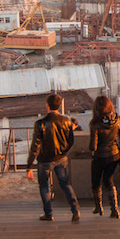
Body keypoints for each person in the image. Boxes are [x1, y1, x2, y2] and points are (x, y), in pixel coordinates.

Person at [26, 93, 80, 222]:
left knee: (44, 186)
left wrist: (29, 166)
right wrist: (63, 152)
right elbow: (71, 141)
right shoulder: (67, 120)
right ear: (59, 105)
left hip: (44, 159)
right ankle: (75, 210)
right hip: (61, 158)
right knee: (65, 184)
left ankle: (48, 213)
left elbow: (35, 146)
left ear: (47, 105)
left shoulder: (40, 123)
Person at [88, 95, 120, 218]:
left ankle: (98, 207)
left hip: (99, 157)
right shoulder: (117, 119)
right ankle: (114, 209)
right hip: (114, 155)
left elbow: (93, 146)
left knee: (96, 181)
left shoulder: (95, 123)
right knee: (109, 180)